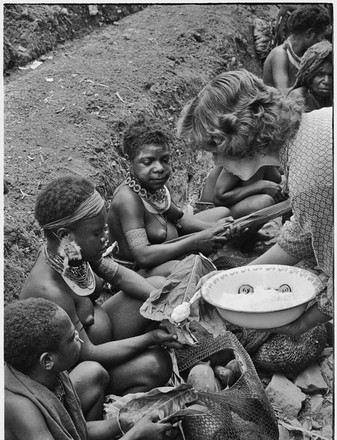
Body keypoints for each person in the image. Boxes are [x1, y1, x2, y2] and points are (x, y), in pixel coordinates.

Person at [177, 70, 332, 350]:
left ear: (236, 140)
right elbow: (304, 230)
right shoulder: (316, 128)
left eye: (213, 152)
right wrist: (236, 277)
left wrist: (302, 324)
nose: (215, 163)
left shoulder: (310, 179)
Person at [20, 175, 179, 397]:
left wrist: (166, 303)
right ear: (65, 235)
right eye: (97, 233)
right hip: (84, 368)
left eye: (104, 229)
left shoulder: (72, 250)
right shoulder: (50, 290)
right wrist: (150, 339)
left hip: (105, 337)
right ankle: (102, 406)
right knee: (156, 364)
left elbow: (121, 277)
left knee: (158, 287)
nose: (106, 238)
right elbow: (87, 354)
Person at [5, 298, 176, 440]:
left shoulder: (46, 374)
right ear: (48, 360)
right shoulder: (20, 406)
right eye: (72, 338)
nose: (79, 337)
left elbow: (73, 429)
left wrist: (128, 422)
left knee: (92, 373)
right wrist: (133, 438)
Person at [108, 120, 238, 278]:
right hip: (135, 273)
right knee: (182, 269)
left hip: (167, 250)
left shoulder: (157, 185)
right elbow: (143, 256)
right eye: (147, 162)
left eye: (164, 160)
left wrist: (213, 228)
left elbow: (179, 220)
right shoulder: (127, 199)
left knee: (222, 214)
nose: (159, 168)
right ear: (131, 161)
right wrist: (197, 241)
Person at [263, 5, 331, 91]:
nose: (322, 42)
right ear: (309, 33)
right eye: (321, 37)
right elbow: (284, 95)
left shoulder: (304, 55)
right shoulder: (280, 55)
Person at [288, 40, 332, 112]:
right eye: (320, 74)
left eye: (331, 75)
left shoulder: (332, 95)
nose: (327, 81)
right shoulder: (299, 96)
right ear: (308, 75)